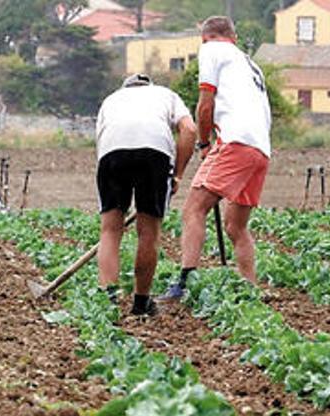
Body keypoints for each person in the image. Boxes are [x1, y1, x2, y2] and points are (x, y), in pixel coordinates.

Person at [159, 16, 272, 302]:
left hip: (235, 141)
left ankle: (184, 284)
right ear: (233, 37)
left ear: (206, 37)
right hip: (260, 149)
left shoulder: (212, 50)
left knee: (193, 209)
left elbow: (205, 103)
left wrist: (204, 143)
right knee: (235, 225)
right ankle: (250, 287)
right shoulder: (250, 64)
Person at [95, 73, 197, 316]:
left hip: (111, 153)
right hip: (155, 153)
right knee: (148, 231)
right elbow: (190, 130)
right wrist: (178, 174)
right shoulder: (166, 95)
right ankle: (141, 304)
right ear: (149, 86)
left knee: (110, 229)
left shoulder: (111, 100)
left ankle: (107, 301)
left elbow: (100, 142)